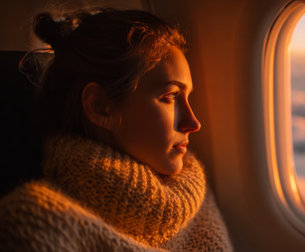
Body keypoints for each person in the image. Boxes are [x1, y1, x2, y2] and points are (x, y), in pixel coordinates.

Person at [0, 8, 233, 251]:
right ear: (100, 108)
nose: (193, 123)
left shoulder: (195, 203)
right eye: (170, 96)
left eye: (187, 97)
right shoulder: (37, 225)